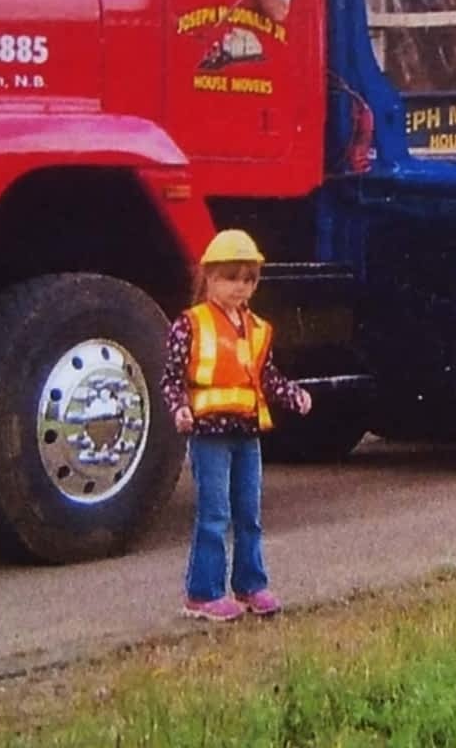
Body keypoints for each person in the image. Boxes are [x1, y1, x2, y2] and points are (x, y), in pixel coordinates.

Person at [162, 228, 313, 622]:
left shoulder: (258, 328)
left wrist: (293, 395)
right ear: (209, 277)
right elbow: (171, 378)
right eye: (231, 278)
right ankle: (203, 593)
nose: (240, 288)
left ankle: (251, 584)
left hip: (246, 433)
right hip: (209, 434)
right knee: (214, 515)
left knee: (249, 513)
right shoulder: (190, 324)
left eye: (248, 279)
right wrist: (178, 408)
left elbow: (266, 377)